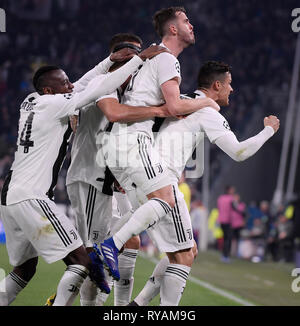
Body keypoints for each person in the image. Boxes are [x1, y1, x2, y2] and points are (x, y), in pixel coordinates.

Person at [0, 44, 166, 306]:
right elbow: (96, 88)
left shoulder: (32, 101)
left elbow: (81, 85)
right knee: (81, 262)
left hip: (10, 195)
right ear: (49, 90)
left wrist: (108, 59)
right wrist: (139, 60)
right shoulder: (56, 104)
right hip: (33, 196)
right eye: (65, 84)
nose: (70, 87)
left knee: (25, 269)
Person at [129, 60, 279, 305]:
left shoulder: (181, 101)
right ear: (217, 85)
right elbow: (239, 152)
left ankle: (137, 305)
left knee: (187, 250)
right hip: (161, 182)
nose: (233, 89)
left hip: (142, 177)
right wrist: (268, 131)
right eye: (229, 84)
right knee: (184, 256)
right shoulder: (206, 111)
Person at [99, 6, 220, 306]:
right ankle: (109, 246)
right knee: (166, 199)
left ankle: (123, 294)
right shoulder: (167, 59)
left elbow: (170, 110)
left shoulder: (155, 60)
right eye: (186, 20)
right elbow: (175, 106)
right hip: (133, 139)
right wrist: (207, 103)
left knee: (160, 221)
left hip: (120, 146)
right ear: (173, 29)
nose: (192, 24)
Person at [65, 33, 169, 306]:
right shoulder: (102, 84)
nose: (139, 63)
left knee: (121, 243)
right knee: (89, 256)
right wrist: (160, 110)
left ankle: (114, 306)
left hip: (106, 180)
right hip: (89, 177)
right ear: (124, 57)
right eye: (134, 56)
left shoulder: (125, 91)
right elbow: (114, 114)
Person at [217, 185, 235, 262]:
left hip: (221, 220)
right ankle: (226, 256)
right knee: (228, 238)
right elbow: (235, 208)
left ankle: (224, 255)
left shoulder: (220, 198)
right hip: (228, 220)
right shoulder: (231, 199)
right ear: (228, 190)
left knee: (225, 238)